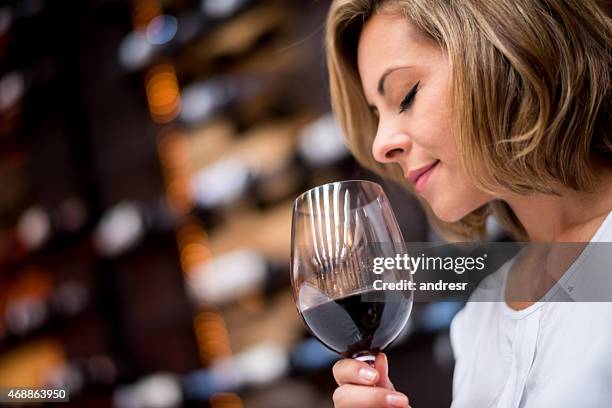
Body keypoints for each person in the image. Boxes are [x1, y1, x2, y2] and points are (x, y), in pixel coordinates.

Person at [324, 0, 612, 407]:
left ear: (503, 46)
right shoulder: (481, 318)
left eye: (405, 95)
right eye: (377, 114)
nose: (380, 144)